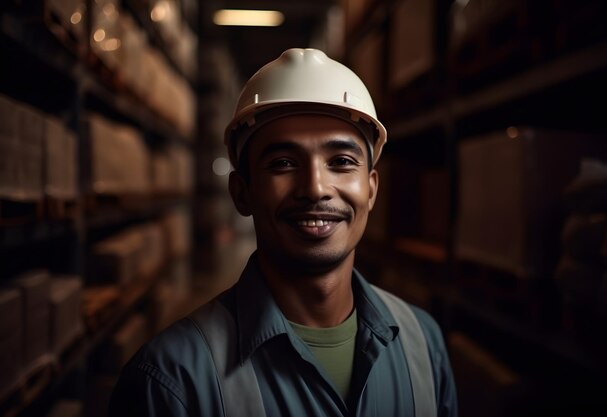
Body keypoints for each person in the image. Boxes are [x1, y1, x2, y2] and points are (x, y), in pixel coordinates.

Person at [109, 48, 457, 417]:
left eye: (341, 162)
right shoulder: (171, 381)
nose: (315, 187)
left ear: (370, 190)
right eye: (283, 163)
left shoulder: (423, 342)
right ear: (242, 192)